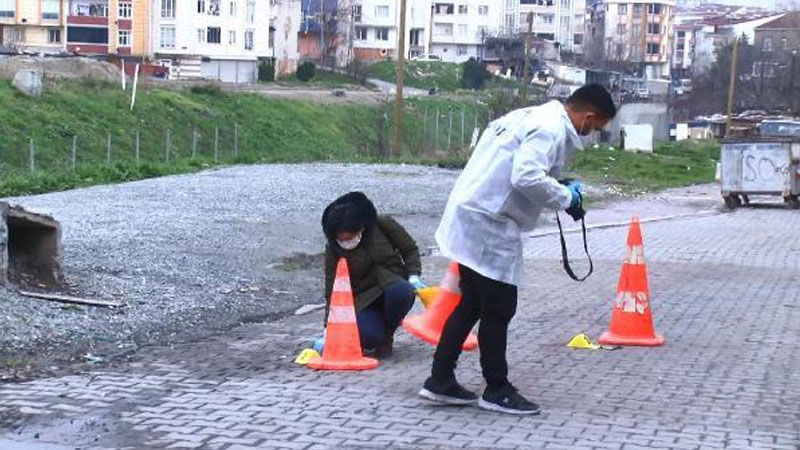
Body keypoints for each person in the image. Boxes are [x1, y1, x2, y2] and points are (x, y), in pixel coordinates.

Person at [418, 84, 617, 414]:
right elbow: (525, 176)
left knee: (470, 303)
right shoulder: (551, 129)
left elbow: (521, 167)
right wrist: (567, 198)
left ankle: (440, 380)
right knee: (498, 307)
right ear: (588, 116)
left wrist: (558, 185)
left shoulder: (528, 115)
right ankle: (496, 388)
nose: (592, 134)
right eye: (595, 128)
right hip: (490, 221)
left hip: (473, 211)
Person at [321, 191, 425, 358]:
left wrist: (414, 275)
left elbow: (409, 249)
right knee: (367, 337)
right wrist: (328, 328)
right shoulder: (333, 248)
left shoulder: (383, 225)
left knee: (401, 293)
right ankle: (378, 335)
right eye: (342, 239)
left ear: (360, 228)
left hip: (393, 284)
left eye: (350, 236)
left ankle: (388, 333)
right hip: (363, 298)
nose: (346, 241)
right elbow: (331, 286)